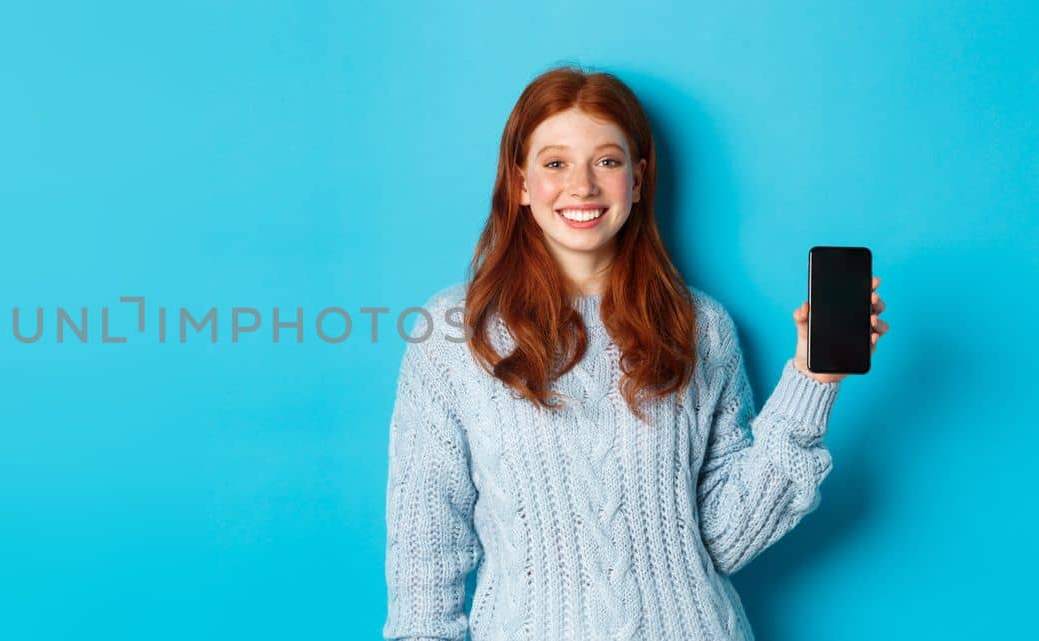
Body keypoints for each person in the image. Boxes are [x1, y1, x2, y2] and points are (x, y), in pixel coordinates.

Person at [381, 66, 891, 641]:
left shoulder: (700, 326)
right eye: (555, 164)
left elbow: (727, 538)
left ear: (639, 179)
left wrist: (811, 381)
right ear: (520, 181)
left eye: (607, 161)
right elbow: (426, 558)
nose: (582, 186)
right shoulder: (454, 334)